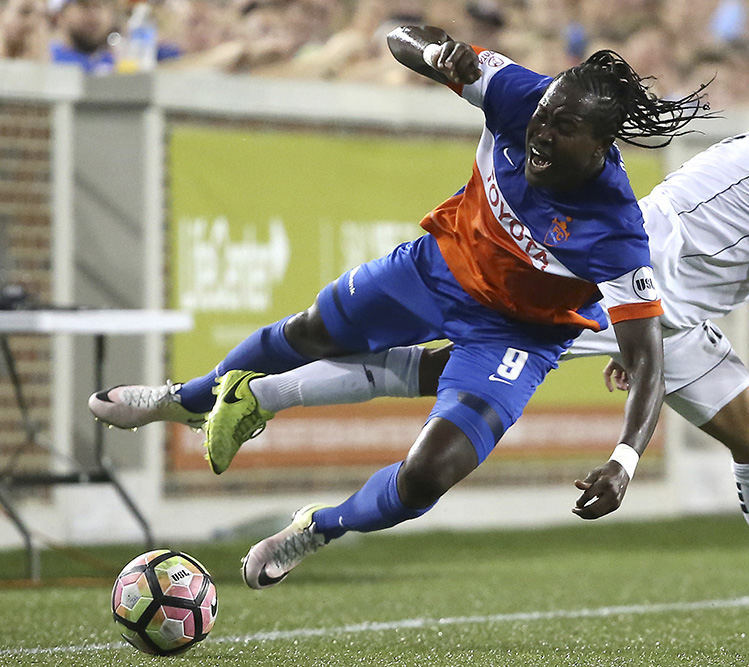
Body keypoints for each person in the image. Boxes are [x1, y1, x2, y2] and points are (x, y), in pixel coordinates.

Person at [114, 71, 749, 643]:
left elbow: (721, 246)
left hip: (669, 311)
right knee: (440, 367)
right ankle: (257, 399)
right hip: (620, 287)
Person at [90, 25, 711, 589]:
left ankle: (320, 525)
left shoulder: (619, 232)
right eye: (543, 117)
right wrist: (432, 53)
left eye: (564, 129)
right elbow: (398, 35)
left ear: (603, 144)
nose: (541, 134)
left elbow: (647, 361)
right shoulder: (517, 94)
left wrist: (624, 461)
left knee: (427, 475)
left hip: (516, 336)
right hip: (437, 268)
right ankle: (184, 401)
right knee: (309, 331)